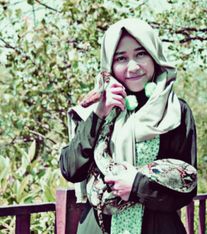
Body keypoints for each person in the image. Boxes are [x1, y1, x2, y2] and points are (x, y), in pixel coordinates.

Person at [60, 18, 197, 234]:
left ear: (154, 56)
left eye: (141, 54)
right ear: (110, 65)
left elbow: (187, 188)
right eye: (121, 58)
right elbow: (71, 169)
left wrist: (137, 186)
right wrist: (99, 114)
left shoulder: (175, 111)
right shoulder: (93, 109)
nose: (133, 66)